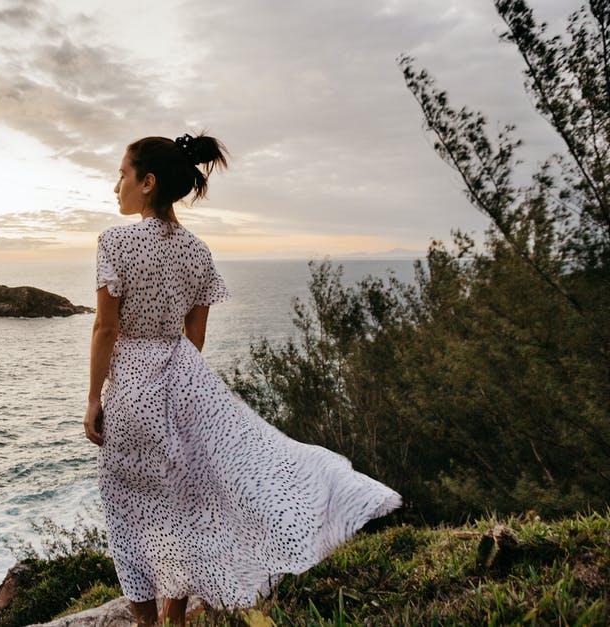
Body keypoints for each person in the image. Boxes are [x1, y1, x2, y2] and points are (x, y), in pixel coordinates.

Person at [84, 133, 402, 626]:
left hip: (131, 388)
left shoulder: (115, 241)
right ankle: (176, 618)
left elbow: (106, 327)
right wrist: (181, 389)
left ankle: (149, 624)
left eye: (121, 175)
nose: (115, 187)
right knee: (183, 504)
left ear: (147, 183)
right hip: (182, 384)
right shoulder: (199, 253)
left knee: (131, 515)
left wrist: (91, 400)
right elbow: (194, 339)